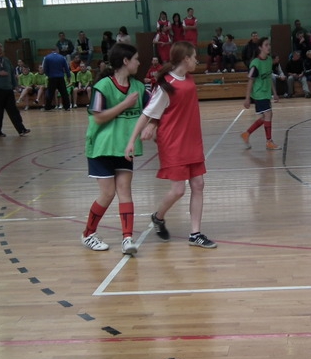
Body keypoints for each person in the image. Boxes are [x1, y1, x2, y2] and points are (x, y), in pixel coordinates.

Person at [125, 41, 217, 250]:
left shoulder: (189, 79)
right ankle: (158, 217)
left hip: (192, 140)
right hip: (173, 143)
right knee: (178, 190)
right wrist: (133, 140)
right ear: (185, 58)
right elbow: (148, 113)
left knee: (198, 184)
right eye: (194, 57)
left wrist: (154, 123)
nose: (197, 61)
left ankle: (195, 234)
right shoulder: (166, 85)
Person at [81, 43, 147, 254]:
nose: (139, 63)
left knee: (125, 191)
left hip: (124, 148)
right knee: (108, 193)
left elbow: (152, 111)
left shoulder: (139, 87)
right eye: (136, 59)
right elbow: (98, 117)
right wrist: (124, 105)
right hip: (102, 148)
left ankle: (127, 238)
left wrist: (152, 127)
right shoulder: (103, 86)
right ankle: (88, 234)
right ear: (126, 61)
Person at [240, 37, 281, 151]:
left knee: (266, 117)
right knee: (268, 114)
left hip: (266, 94)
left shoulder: (269, 60)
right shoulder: (255, 63)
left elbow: (269, 77)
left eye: (269, 44)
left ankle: (246, 134)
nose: (269, 47)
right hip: (259, 94)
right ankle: (269, 142)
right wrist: (247, 98)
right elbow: (250, 81)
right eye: (266, 45)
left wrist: (275, 93)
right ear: (260, 48)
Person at [0, 41, 30, 137]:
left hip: (8, 90)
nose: (0, 48)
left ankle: (21, 129)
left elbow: (12, 74)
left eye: (1, 46)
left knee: (14, 110)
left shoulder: (6, 60)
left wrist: (15, 85)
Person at [42, 47, 71, 111]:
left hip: (52, 77)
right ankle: (67, 107)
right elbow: (66, 68)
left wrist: (48, 75)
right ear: (57, 50)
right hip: (60, 77)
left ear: (51, 51)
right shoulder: (62, 57)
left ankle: (48, 107)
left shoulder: (47, 57)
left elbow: (45, 68)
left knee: (50, 93)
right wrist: (68, 76)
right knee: (64, 92)